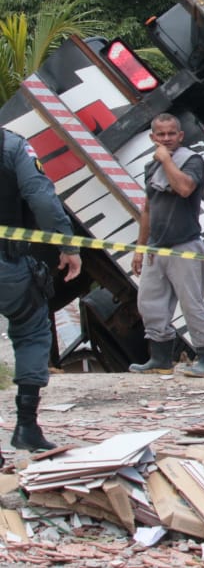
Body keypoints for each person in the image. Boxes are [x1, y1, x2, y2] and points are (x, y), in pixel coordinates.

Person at [0, 128, 82, 455]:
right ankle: (26, 426)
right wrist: (67, 244)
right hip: (7, 263)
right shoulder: (12, 145)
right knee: (33, 327)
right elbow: (41, 197)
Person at [129, 114, 204, 378]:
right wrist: (140, 247)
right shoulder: (150, 168)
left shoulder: (192, 160)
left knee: (192, 304)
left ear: (180, 136)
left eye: (171, 134)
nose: (166, 139)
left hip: (185, 245)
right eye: (161, 134)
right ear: (152, 138)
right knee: (149, 304)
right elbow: (148, 209)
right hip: (157, 249)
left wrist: (166, 159)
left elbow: (183, 188)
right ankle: (160, 359)